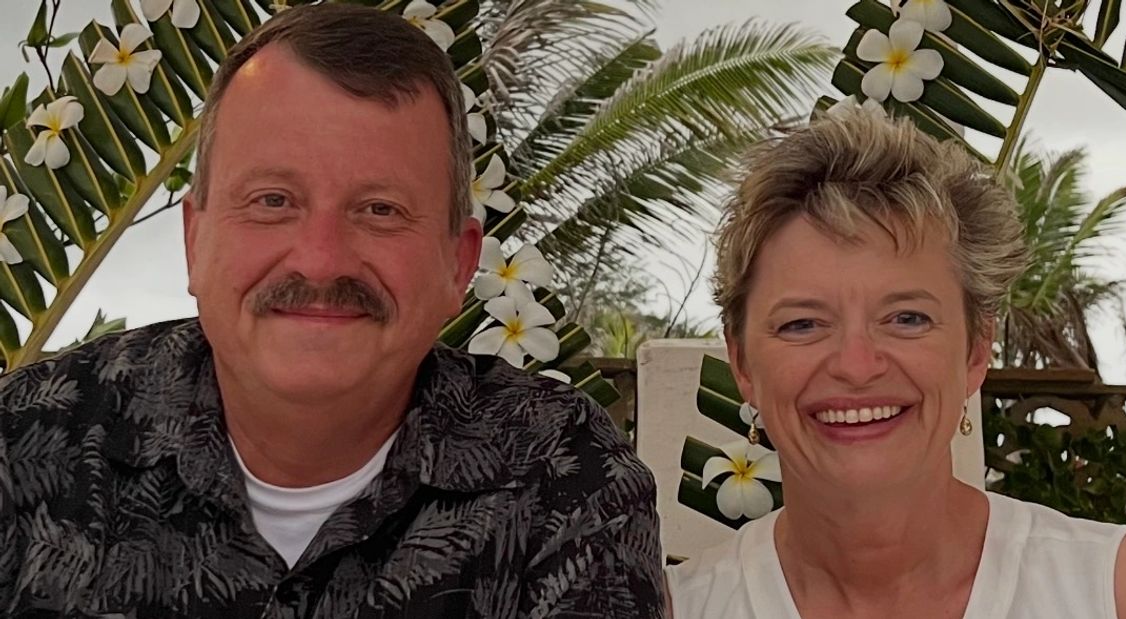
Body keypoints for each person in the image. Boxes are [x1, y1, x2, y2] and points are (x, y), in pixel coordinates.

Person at [0, 5, 664, 617]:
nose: (320, 261)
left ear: (459, 264)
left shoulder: (560, 472)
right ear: (194, 241)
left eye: (380, 210)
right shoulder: (26, 442)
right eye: (272, 200)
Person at [664, 112, 1126, 618]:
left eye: (907, 318)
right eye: (802, 324)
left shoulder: (1119, 595)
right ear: (742, 363)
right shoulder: (678, 610)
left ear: (976, 349)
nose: (857, 365)